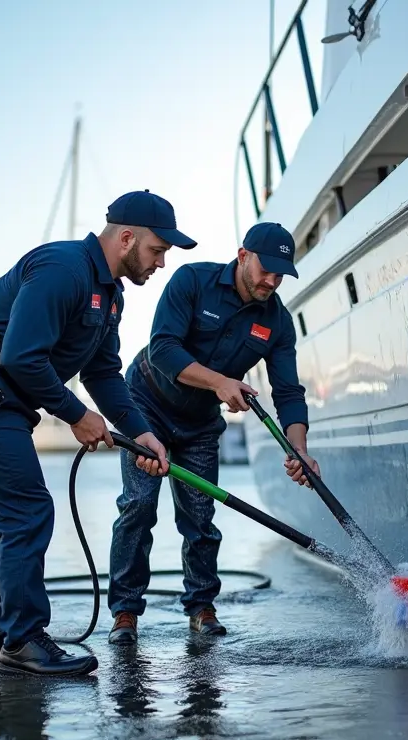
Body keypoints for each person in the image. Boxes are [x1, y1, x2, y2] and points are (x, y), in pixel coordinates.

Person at [0, 190, 196, 676]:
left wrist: (143, 433)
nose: (161, 262)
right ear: (126, 238)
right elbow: (20, 356)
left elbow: (104, 374)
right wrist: (76, 415)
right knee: (25, 512)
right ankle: (23, 642)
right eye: (157, 250)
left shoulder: (111, 297)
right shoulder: (63, 269)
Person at [106, 221, 320, 645]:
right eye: (266, 269)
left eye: (281, 274)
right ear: (243, 256)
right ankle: (125, 613)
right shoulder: (193, 281)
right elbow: (164, 348)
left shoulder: (277, 321)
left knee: (200, 518)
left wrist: (299, 448)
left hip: (201, 423)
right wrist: (221, 382)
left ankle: (201, 608)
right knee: (139, 507)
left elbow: (289, 392)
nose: (272, 281)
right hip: (145, 405)